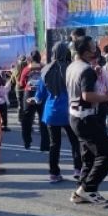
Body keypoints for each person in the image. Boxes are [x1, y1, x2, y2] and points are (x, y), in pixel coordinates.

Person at [67, 36, 108, 204]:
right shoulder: (86, 70)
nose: (96, 50)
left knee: (88, 156)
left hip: (75, 116)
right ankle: (89, 188)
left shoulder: (72, 66)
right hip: (85, 116)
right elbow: (87, 95)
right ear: (86, 52)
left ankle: (81, 190)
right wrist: (106, 97)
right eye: (93, 48)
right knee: (107, 152)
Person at [35, 42, 82, 183]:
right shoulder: (70, 68)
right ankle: (78, 169)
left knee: (54, 144)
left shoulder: (45, 70)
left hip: (51, 111)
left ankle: (54, 173)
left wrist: (35, 100)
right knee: (75, 142)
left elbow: (40, 95)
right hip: (69, 110)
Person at [19, 51, 48, 151]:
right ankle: (44, 145)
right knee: (43, 119)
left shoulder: (27, 68)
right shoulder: (44, 67)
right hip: (41, 94)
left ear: (31, 59)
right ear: (40, 58)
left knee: (26, 119)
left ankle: (27, 142)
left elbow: (21, 83)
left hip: (29, 93)